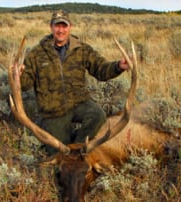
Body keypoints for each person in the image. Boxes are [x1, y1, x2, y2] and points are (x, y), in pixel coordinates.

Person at [19, 10, 130, 155]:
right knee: (59, 153)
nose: (61, 30)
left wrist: (118, 66)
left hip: (79, 103)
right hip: (53, 111)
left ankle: (79, 146)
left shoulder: (81, 49)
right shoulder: (36, 54)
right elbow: (26, 84)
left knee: (98, 116)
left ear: (70, 27)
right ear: (51, 27)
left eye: (64, 26)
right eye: (57, 26)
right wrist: (18, 75)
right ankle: (65, 140)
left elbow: (101, 69)